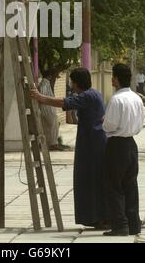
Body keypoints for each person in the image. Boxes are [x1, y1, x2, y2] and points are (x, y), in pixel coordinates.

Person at [31, 68, 108, 228]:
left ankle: (99, 217)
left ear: (77, 82)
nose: (70, 85)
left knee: (91, 181)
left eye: (72, 81)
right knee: (89, 181)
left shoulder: (87, 96)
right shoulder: (93, 94)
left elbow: (64, 103)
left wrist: (40, 98)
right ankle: (96, 217)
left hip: (92, 145)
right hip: (91, 143)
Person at [102, 63, 145, 237]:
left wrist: (104, 122)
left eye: (113, 76)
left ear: (117, 79)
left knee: (114, 186)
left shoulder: (116, 99)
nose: (111, 79)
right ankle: (133, 223)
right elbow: (141, 123)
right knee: (130, 185)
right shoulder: (136, 98)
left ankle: (120, 225)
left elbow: (109, 125)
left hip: (116, 145)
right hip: (131, 145)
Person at [38, 71, 61, 151]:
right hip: (47, 110)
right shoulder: (44, 84)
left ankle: (51, 143)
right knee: (51, 127)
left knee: (50, 127)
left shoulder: (46, 83)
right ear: (50, 76)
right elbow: (41, 97)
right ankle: (52, 144)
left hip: (48, 109)